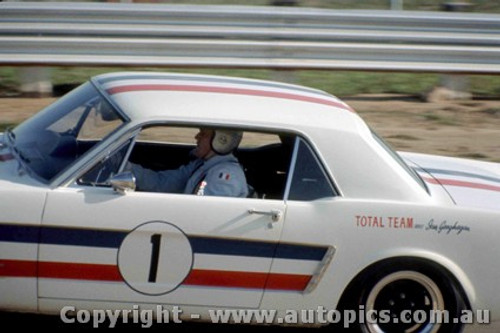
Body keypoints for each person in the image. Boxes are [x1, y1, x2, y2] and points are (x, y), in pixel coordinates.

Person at [129, 128, 248, 198]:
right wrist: (129, 169)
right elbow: (162, 182)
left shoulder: (224, 176)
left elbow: (206, 217)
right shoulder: (202, 166)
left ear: (221, 141)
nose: (196, 137)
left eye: (203, 134)